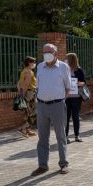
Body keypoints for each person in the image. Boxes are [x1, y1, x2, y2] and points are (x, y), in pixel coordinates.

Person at [31, 44, 71, 176]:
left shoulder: (64, 67)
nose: (46, 54)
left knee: (60, 136)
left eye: (49, 51)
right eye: (44, 52)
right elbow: (38, 85)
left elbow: (67, 87)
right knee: (42, 137)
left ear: (56, 53)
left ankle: (63, 164)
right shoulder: (40, 66)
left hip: (57, 105)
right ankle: (42, 165)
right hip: (42, 105)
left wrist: (59, 100)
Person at [65, 53, 86, 144]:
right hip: (66, 97)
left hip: (76, 97)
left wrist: (76, 83)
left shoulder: (79, 70)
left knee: (75, 117)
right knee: (66, 117)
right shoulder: (64, 69)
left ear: (71, 59)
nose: (65, 60)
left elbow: (83, 82)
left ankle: (77, 135)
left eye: (66, 58)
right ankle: (65, 137)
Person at [17, 56, 37, 137]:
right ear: (29, 63)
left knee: (28, 113)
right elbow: (26, 84)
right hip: (30, 93)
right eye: (33, 62)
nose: (34, 64)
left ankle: (27, 130)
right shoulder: (29, 72)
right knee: (35, 112)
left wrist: (20, 92)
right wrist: (23, 95)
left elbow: (18, 83)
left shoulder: (23, 71)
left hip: (26, 93)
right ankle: (23, 128)